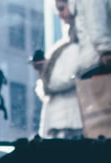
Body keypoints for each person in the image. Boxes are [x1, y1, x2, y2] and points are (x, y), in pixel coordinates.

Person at [35, 1, 85, 139]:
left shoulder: (82, 45)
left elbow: (72, 76)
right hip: (62, 119)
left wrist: (47, 76)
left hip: (71, 119)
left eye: (62, 9)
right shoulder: (65, 46)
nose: (60, 15)